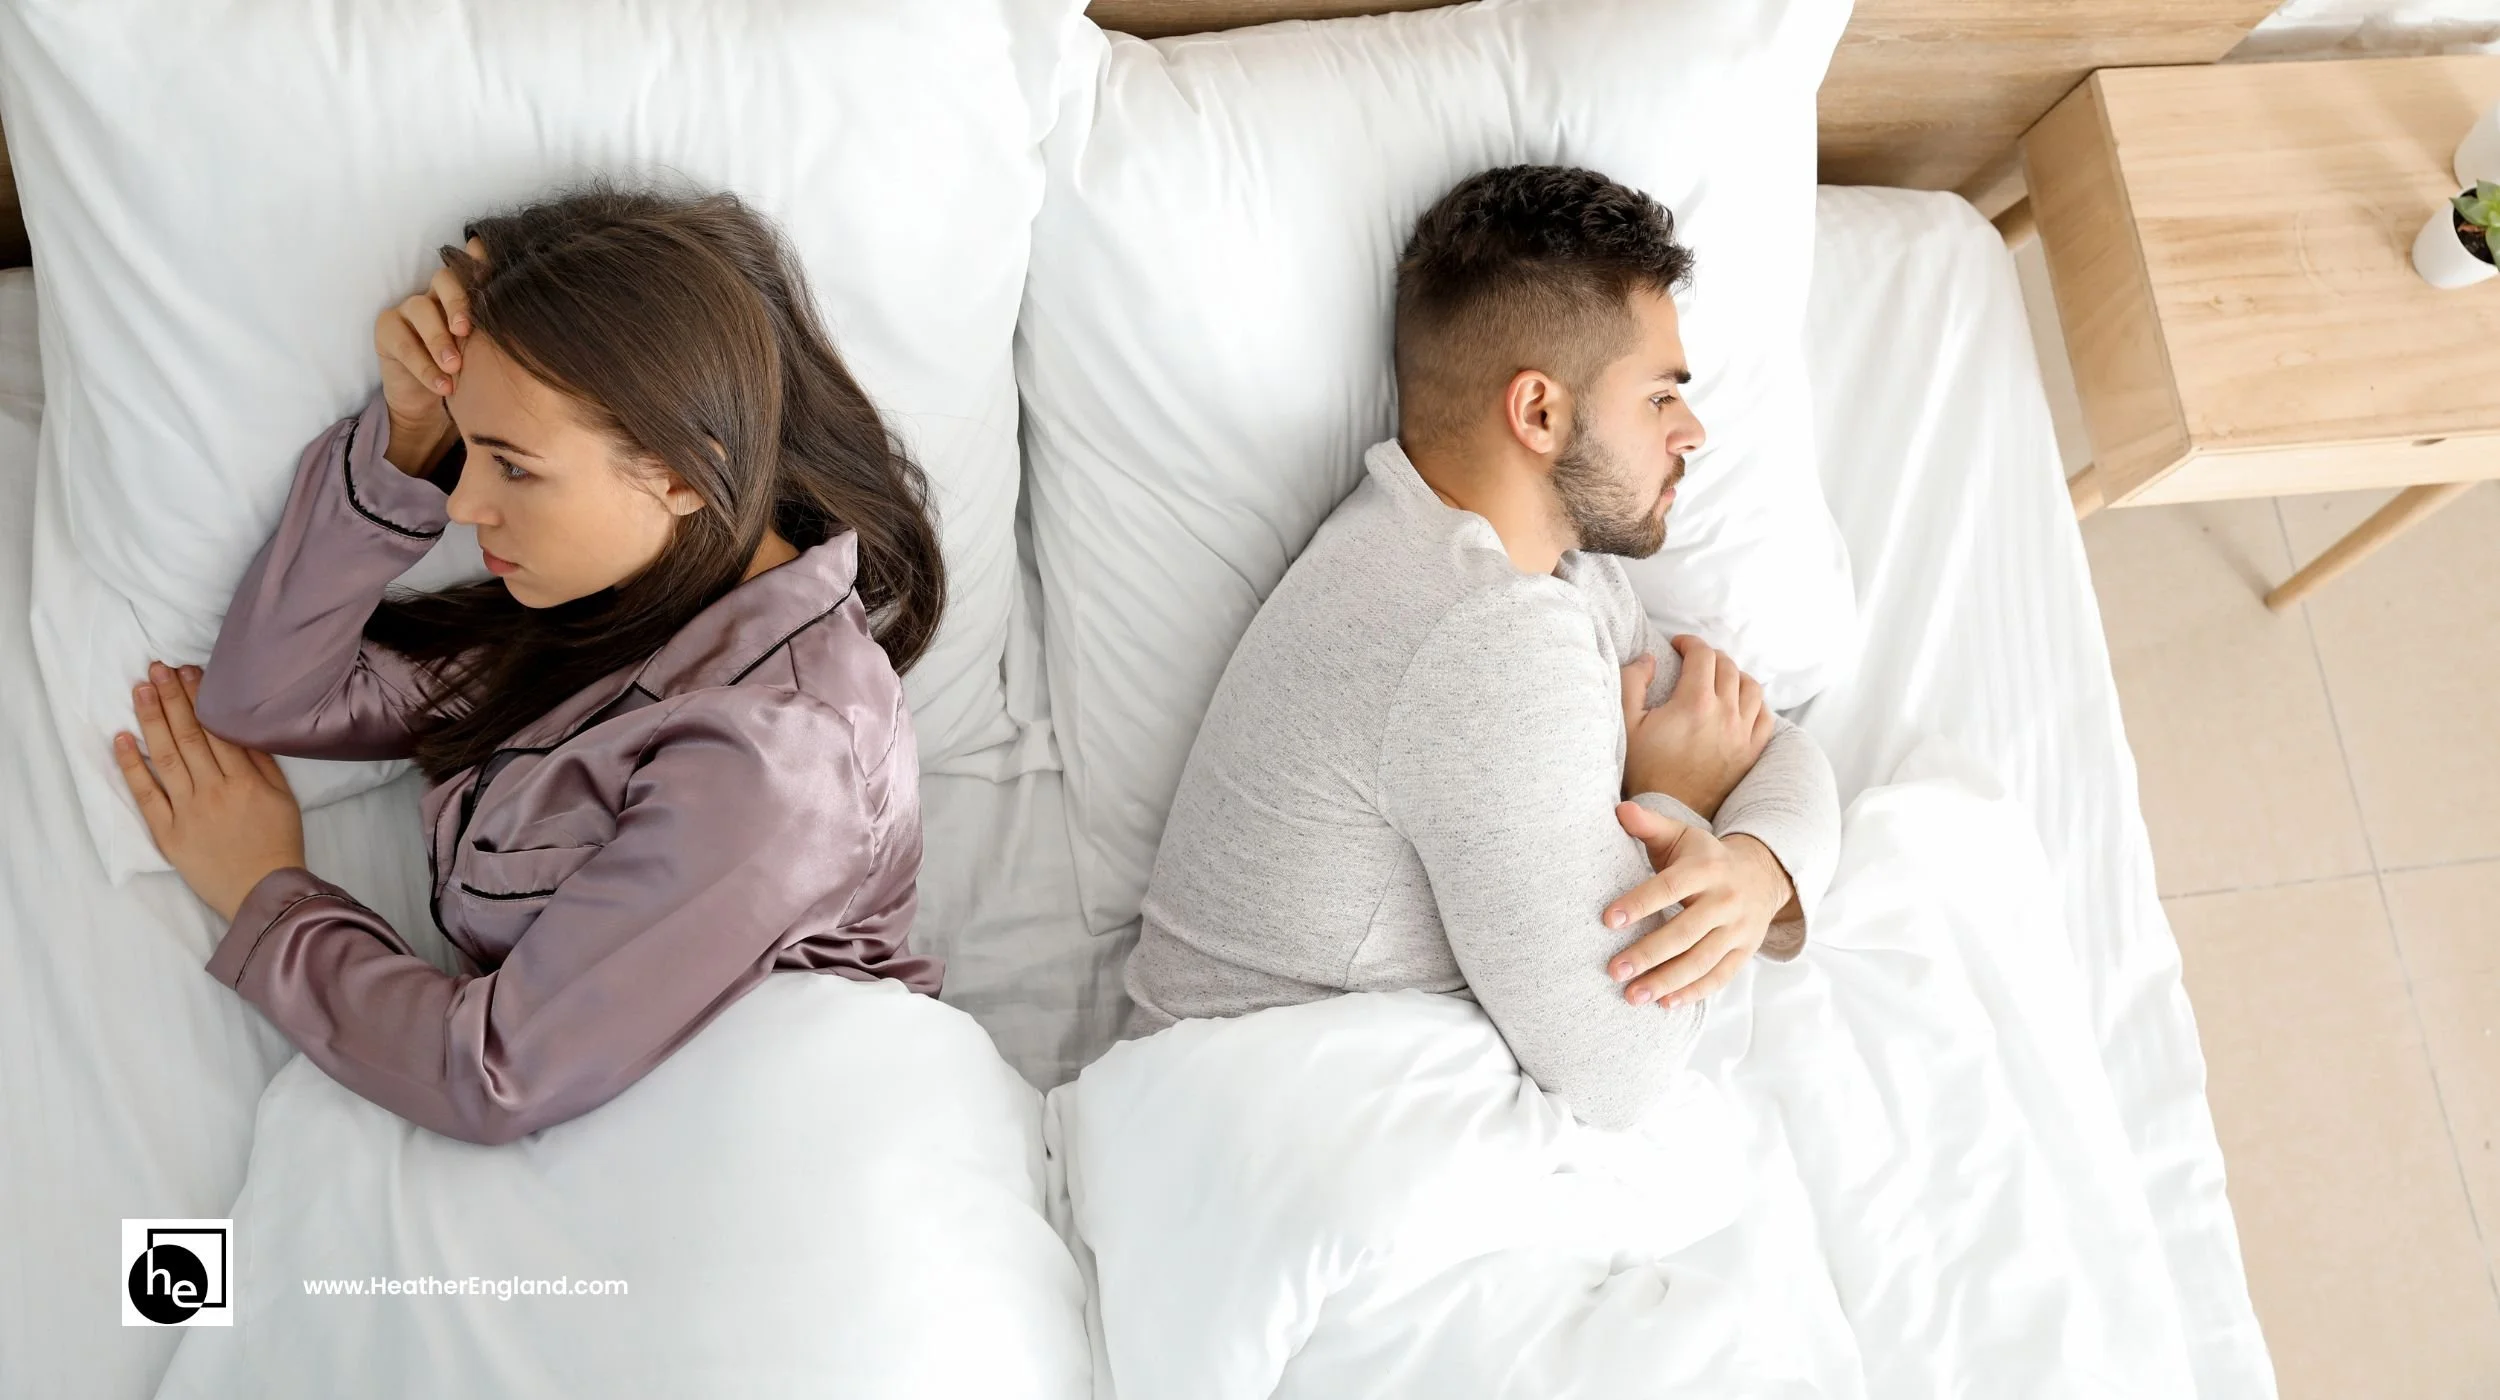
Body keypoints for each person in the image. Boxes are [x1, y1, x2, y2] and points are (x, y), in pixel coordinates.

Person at [111, 186, 948, 1145]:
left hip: (752, 1165)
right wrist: (408, 438)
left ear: (683, 472)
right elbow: (267, 697)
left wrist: (266, 891)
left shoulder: (782, 761)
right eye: (465, 449)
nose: (460, 507)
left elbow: (494, 1074)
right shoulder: (614, 599)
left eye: (511, 465)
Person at [1125, 165, 1842, 1132]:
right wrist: (1677, 801)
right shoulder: (1479, 634)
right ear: (1540, 412)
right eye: (1659, 397)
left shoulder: (1549, 572)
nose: (1693, 431)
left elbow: (1775, 743)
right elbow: (1622, 1073)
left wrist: (1755, 868)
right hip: (1269, 1131)